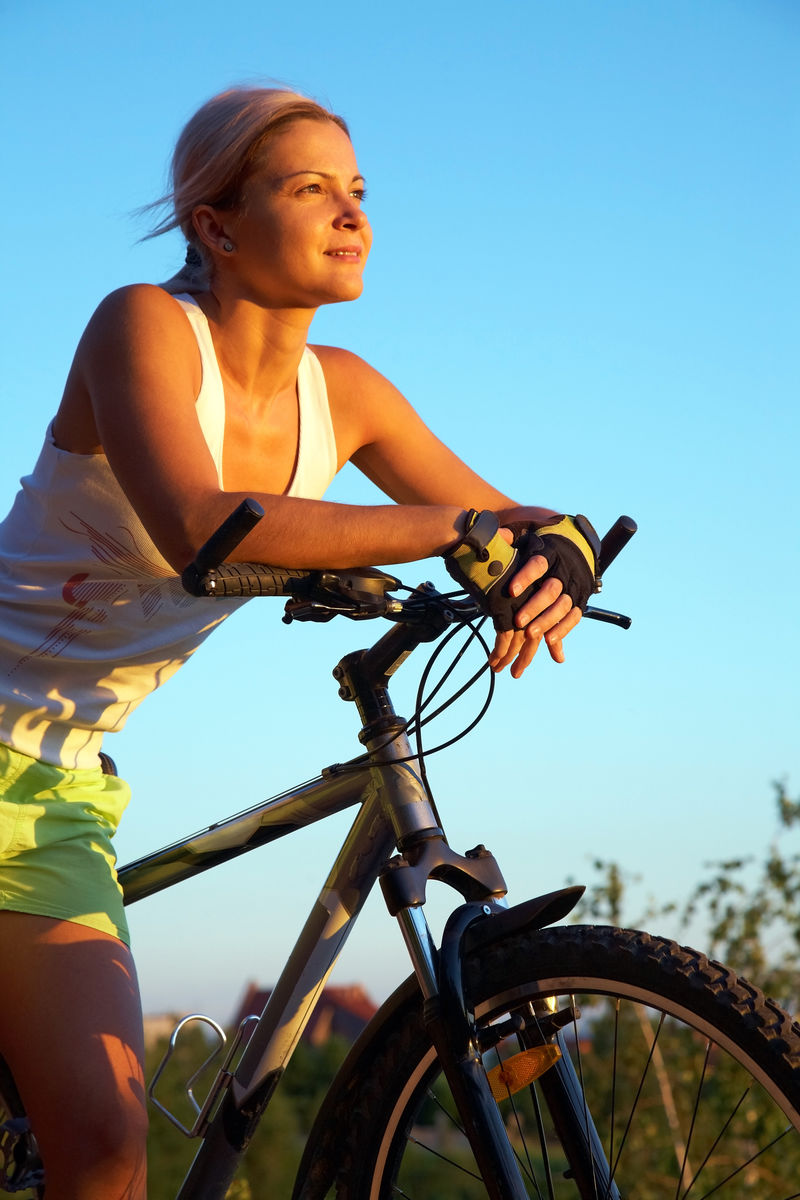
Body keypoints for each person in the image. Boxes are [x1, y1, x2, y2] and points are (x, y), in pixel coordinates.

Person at [0, 85, 598, 1198]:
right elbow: (199, 521)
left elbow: (512, 514)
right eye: (309, 188)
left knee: (104, 1160)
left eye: (358, 190)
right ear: (214, 227)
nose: (351, 212)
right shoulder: (141, 326)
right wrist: (460, 532)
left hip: (58, 788)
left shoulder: (349, 393)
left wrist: (556, 557)